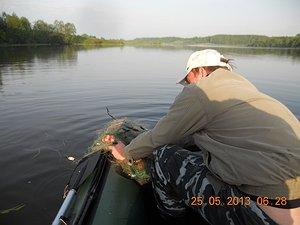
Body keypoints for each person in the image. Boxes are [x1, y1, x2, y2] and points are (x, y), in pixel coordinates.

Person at [103, 49, 300, 225]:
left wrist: (126, 152)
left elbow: (159, 138)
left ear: (201, 72)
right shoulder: (246, 90)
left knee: (165, 156)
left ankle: (170, 219)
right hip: (288, 201)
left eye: (188, 80)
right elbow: (194, 137)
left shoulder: (201, 91)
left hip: (260, 214)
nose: (186, 86)